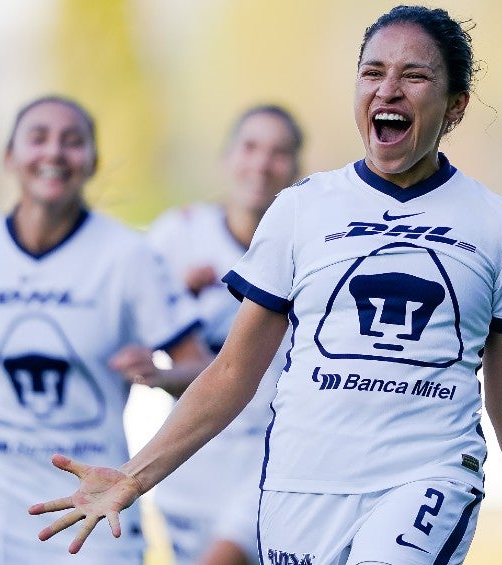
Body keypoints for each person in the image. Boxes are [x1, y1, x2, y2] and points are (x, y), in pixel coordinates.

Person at [29, 6, 502, 564]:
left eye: (415, 75)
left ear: (456, 105)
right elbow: (232, 373)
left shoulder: (499, 227)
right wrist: (134, 476)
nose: (388, 89)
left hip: (426, 476)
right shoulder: (300, 211)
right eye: (372, 71)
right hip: (301, 487)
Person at [0, 95, 212, 564]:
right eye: (38, 138)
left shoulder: (128, 257)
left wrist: (161, 376)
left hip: (91, 510)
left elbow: (203, 369)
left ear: (92, 162)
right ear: (9, 156)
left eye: (72, 141)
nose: (54, 153)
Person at [146, 105, 303, 565]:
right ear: (226, 158)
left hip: (269, 464)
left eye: (279, 152)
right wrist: (176, 303)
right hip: (188, 469)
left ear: (297, 169)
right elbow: (132, 338)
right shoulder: (176, 236)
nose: (261, 164)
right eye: (250, 147)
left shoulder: (312, 249)